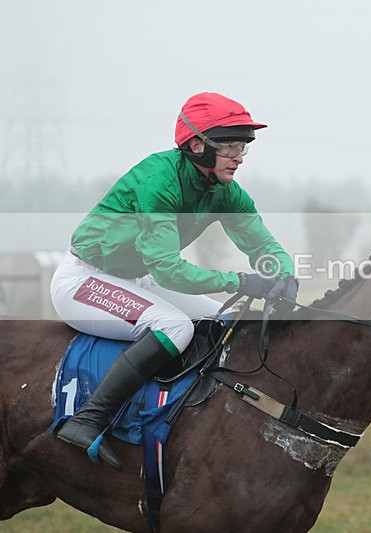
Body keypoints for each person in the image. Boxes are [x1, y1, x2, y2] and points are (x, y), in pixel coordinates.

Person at [50, 92, 297, 469]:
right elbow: (168, 270)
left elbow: (262, 246)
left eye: (243, 146)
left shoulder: (225, 191)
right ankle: (88, 419)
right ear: (197, 146)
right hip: (84, 280)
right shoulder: (159, 181)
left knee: (224, 322)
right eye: (230, 146)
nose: (239, 157)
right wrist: (239, 281)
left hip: (135, 279)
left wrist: (284, 274)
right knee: (176, 327)